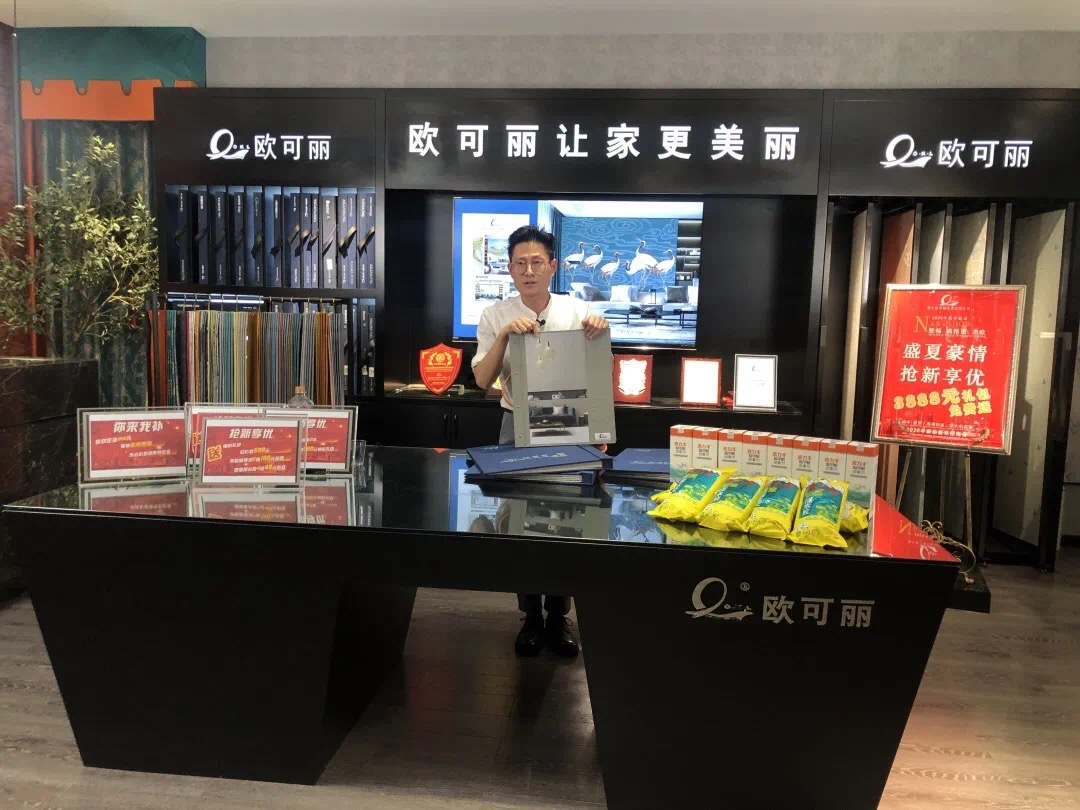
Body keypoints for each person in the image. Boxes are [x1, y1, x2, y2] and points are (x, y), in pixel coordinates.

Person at [471, 225, 609, 658]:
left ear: (552, 266)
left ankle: (558, 616)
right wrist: (504, 336)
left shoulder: (577, 310)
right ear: (510, 269)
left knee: (567, 520)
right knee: (517, 523)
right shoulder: (495, 315)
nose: (528, 271)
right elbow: (482, 380)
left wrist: (598, 431)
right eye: (520, 263)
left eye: (536, 262)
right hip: (516, 425)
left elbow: (597, 372)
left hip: (570, 425)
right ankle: (530, 615)